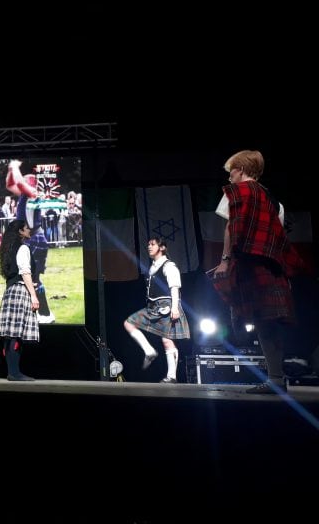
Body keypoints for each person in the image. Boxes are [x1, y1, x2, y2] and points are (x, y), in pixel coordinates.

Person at [212, 150, 302, 394]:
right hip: (271, 266)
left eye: (232, 170)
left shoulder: (236, 192)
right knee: (267, 324)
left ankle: (274, 378)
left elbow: (231, 227)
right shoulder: (274, 201)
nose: (229, 176)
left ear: (241, 170)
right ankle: (276, 378)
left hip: (249, 265)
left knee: (245, 316)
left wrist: (225, 260)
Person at [124, 237, 191, 383]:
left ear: (162, 248)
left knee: (167, 340)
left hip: (167, 305)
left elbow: (175, 288)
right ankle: (149, 351)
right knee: (129, 323)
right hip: (153, 306)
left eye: (153, 244)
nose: (149, 247)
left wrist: (174, 308)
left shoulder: (169, 265)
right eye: (148, 244)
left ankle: (172, 376)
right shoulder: (153, 266)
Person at [6, 159, 55, 323]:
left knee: (33, 278)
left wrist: (14, 166)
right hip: (30, 238)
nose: (21, 184)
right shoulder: (25, 195)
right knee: (27, 276)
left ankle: (45, 314)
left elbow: (18, 181)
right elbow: (10, 184)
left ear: (30, 183)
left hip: (35, 239)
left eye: (25, 181)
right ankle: (39, 313)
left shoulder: (33, 193)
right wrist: (10, 170)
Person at [0, 219, 40, 381]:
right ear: (20, 231)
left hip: (10, 291)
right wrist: (34, 295)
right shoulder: (22, 248)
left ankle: (12, 371)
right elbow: (24, 272)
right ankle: (14, 373)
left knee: (10, 335)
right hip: (20, 291)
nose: (29, 231)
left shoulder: (9, 248)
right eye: (27, 228)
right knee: (16, 335)